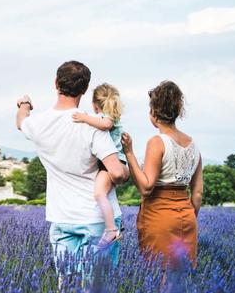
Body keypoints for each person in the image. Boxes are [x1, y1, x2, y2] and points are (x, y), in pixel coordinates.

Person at [16, 61, 128, 277]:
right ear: (85, 90)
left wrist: (24, 103)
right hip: (97, 221)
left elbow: (21, 122)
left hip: (62, 217)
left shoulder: (38, 124)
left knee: (66, 290)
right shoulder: (91, 124)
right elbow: (116, 173)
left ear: (56, 83)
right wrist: (128, 165)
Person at [121, 80, 203, 267]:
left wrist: (129, 153)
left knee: (159, 276)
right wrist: (186, 216)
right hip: (187, 217)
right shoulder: (194, 145)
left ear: (154, 113)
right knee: (184, 276)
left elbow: (146, 187)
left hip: (159, 215)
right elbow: (197, 194)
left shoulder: (157, 142)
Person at [71, 83, 130, 246]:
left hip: (112, 162)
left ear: (96, 105)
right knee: (103, 194)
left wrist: (84, 118)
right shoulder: (107, 115)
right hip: (110, 161)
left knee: (99, 194)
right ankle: (112, 225)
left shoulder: (109, 117)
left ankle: (111, 230)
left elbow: (105, 125)